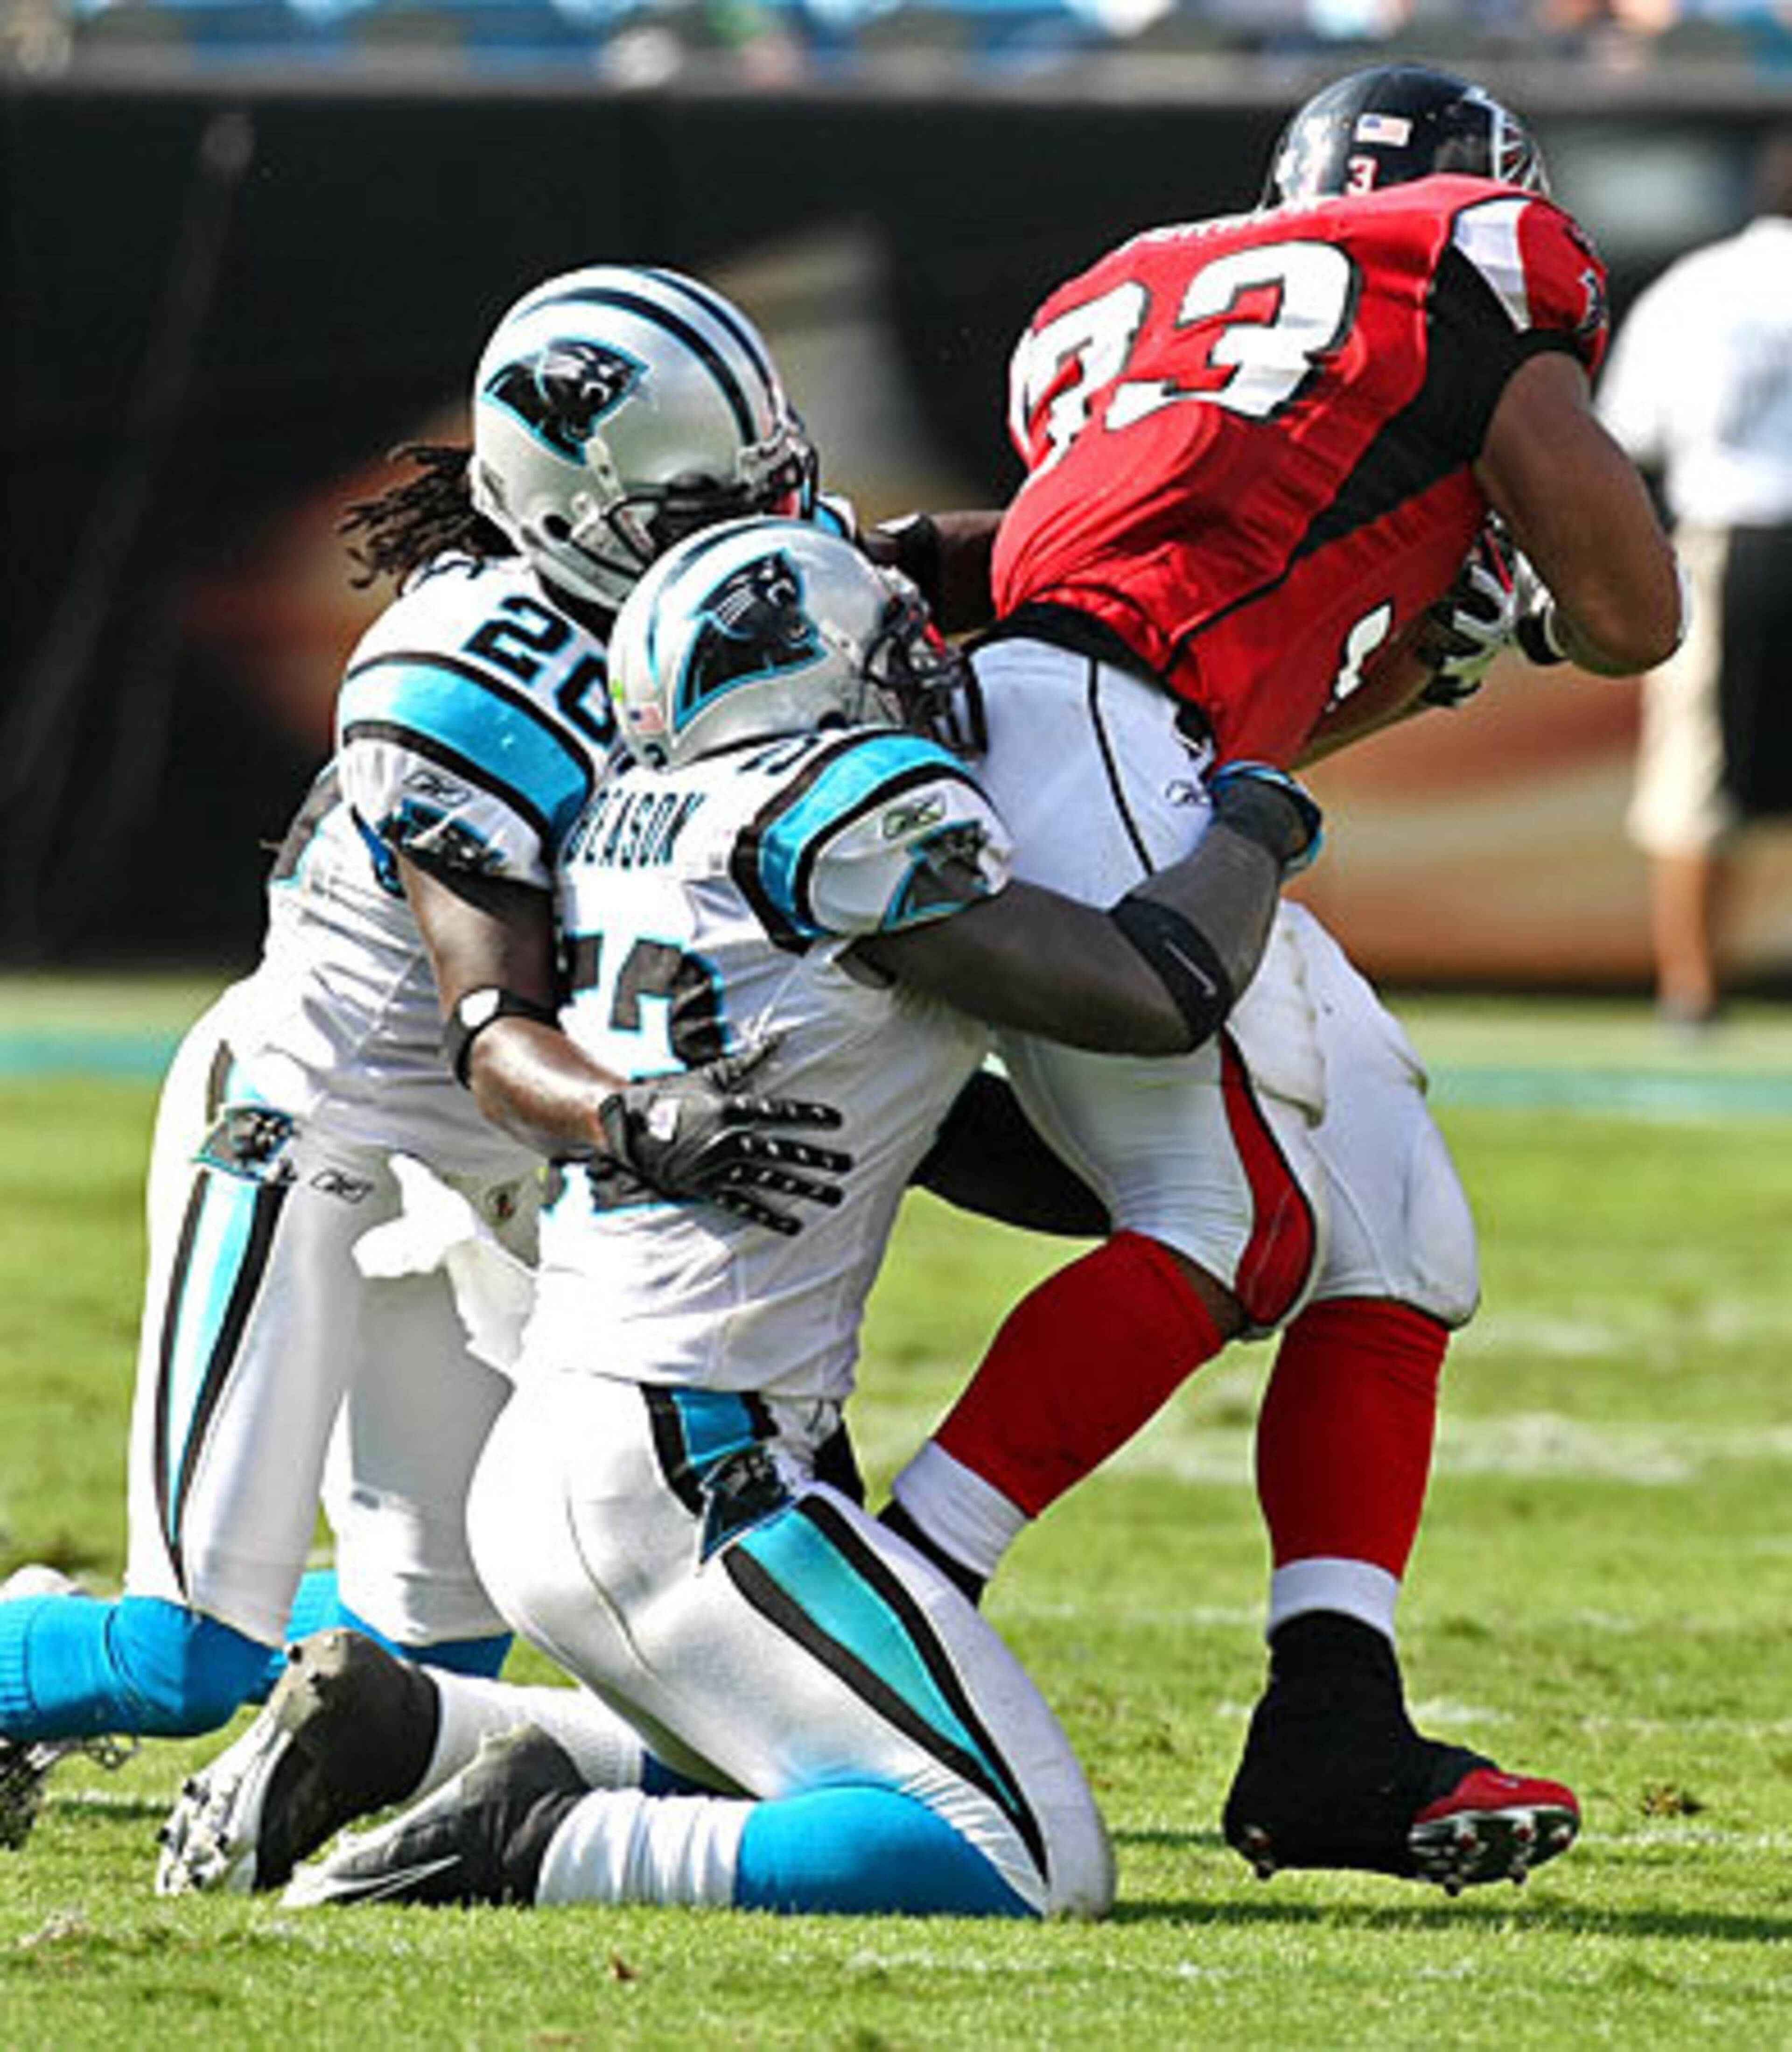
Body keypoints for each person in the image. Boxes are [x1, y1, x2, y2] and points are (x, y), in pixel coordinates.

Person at [159, 517, 1323, 1916]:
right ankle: (534, 1849)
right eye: (892, 646)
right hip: (690, 1463)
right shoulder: (841, 811)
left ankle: (411, 1727)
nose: (922, 670)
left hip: (598, 1432)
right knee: (1021, 1849)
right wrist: (1260, 812)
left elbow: (930, 1129)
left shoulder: (638, 823)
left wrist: (1169, 1204)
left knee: (803, 1756)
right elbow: (1155, 985)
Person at [870, 63, 1685, 1893]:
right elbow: (1639, 616)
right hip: (1099, 719)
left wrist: (1425, 638)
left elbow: (1244, 674)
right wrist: (1538, 613)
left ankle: (1332, 1716)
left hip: (1074, 713)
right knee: (1224, 1212)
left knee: (1394, 1219)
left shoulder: (1137, 304)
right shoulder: (1479, 275)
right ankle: (894, 1586)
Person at [0, 265, 863, 1850]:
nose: (776, 526)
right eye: (712, 506)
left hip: (494, 1178)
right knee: (184, 1653)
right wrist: (640, 1117)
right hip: (314, 1126)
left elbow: (931, 563)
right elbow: (490, 1025)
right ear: (577, 512)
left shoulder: (733, 577)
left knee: (423, 1667)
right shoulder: (456, 676)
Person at [1598, 125, 1792, 1032]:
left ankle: (1692, 989)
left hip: (1726, 537)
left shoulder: (1699, 286)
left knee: (1698, 776)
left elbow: (1631, 435)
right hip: (1743, 527)